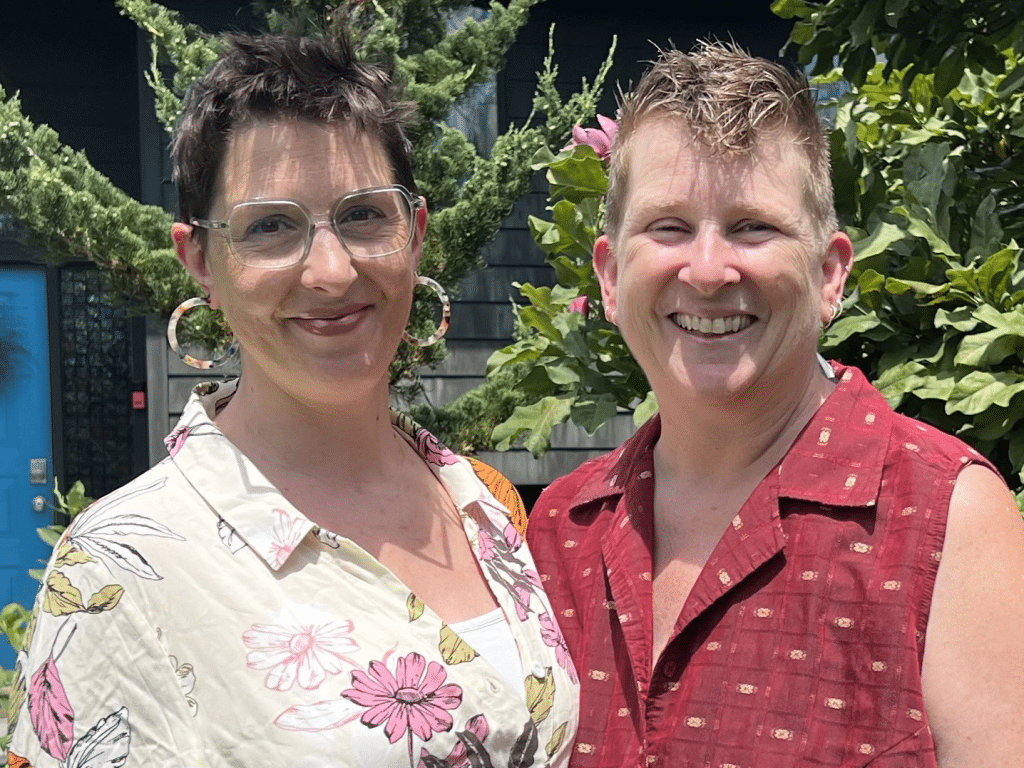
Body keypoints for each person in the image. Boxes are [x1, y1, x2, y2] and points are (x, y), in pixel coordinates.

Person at [6, 34, 577, 768]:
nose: (332, 271)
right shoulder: (121, 566)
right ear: (202, 262)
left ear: (416, 234)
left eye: (365, 215)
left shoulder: (484, 506)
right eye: (271, 227)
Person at [526, 42, 1024, 767]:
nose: (706, 270)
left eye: (753, 226)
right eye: (667, 226)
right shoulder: (560, 529)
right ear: (608, 275)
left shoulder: (948, 517)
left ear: (829, 275)